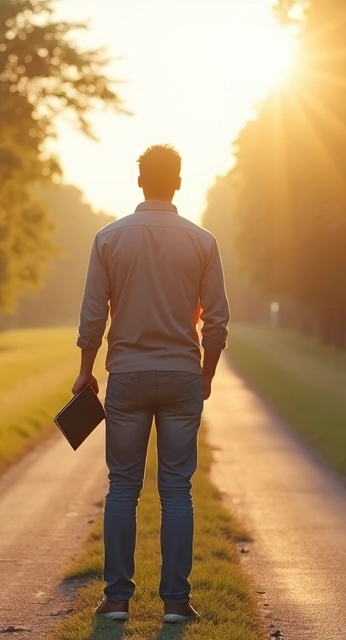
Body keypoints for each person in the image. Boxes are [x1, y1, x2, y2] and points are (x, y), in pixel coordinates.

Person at [74, 144, 230, 624]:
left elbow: (93, 315)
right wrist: (205, 376)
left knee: (123, 487)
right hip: (183, 375)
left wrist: (86, 369)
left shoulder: (108, 239)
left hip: (127, 374)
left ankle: (117, 600)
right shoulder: (202, 241)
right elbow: (218, 321)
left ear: (140, 182)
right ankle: (177, 604)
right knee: (176, 490)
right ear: (178, 182)